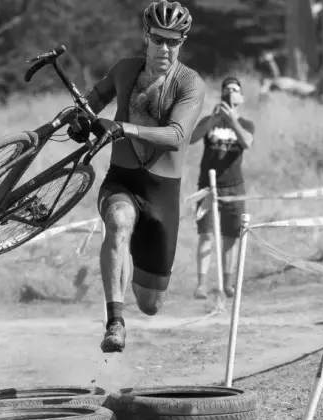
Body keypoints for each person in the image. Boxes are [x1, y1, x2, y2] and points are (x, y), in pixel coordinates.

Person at [69, 0, 206, 353]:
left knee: (150, 303)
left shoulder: (190, 83)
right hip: (123, 180)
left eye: (174, 41)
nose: (165, 48)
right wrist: (80, 119)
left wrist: (123, 127)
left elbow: (177, 135)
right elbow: (92, 100)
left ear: (182, 42)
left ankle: (127, 267)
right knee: (118, 223)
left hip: (162, 194)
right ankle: (115, 322)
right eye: (159, 39)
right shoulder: (125, 69)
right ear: (146, 36)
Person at [189, 76, 255, 300]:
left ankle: (227, 283)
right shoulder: (210, 120)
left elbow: (247, 143)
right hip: (208, 187)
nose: (230, 93)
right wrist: (215, 118)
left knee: (231, 237)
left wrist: (232, 120)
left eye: (235, 90)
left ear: (241, 97)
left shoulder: (246, 124)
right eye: (226, 89)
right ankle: (201, 285)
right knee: (206, 234)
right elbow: (192, 138)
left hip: (234, 187)